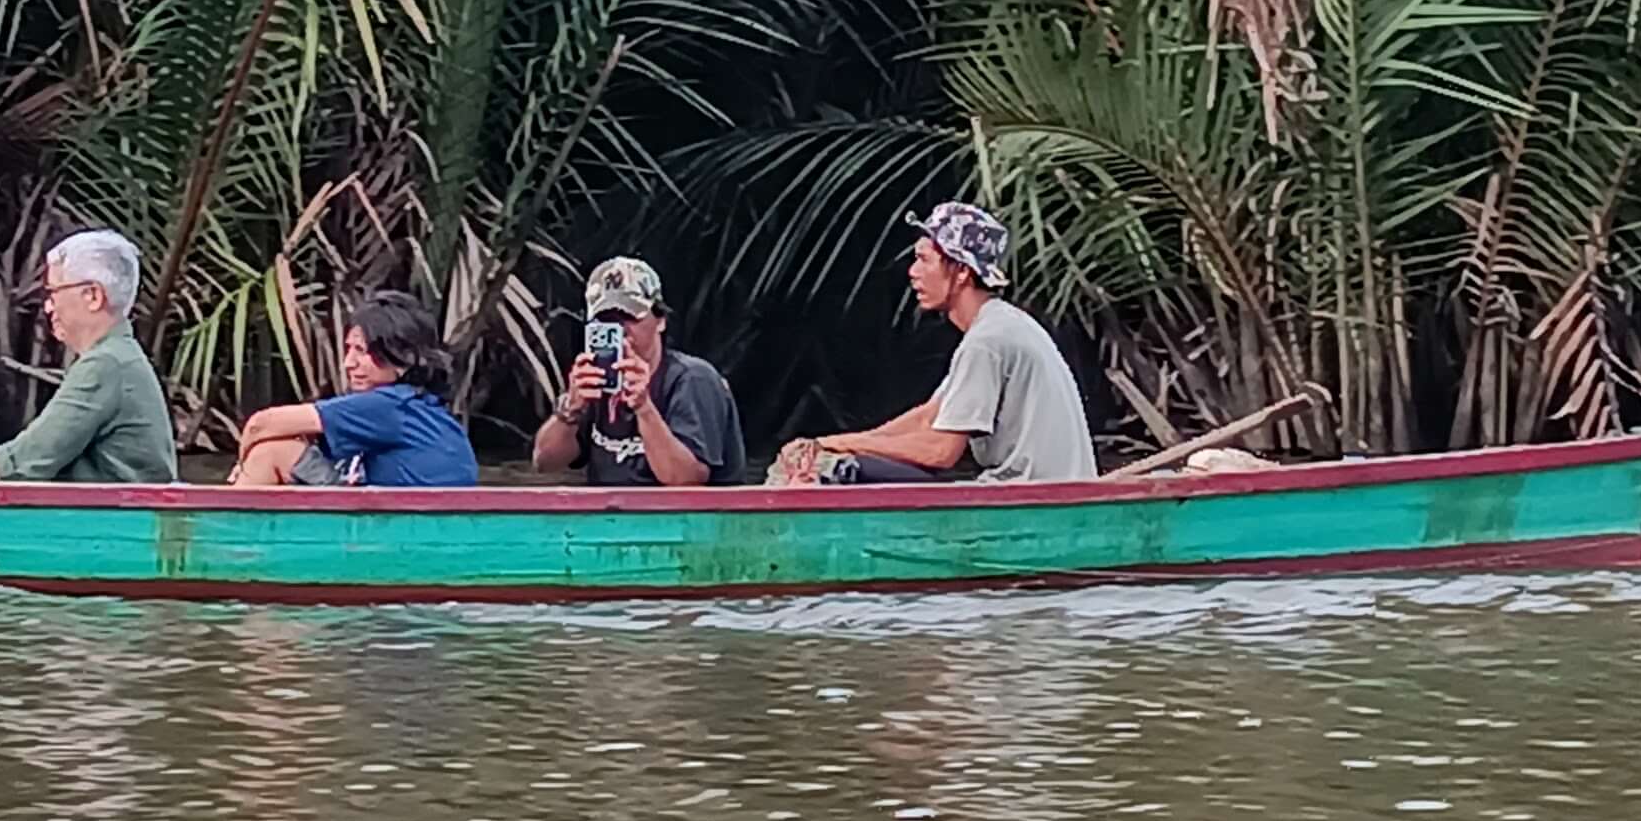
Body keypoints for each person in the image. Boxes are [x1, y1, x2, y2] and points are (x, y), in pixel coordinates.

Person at [773, 200, 1093, 486]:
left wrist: (838, 447)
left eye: (924, 260)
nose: (913, 272)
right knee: (843, 458)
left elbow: (940, 452)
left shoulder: (987, 342)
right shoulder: (999, 324)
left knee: (839, 470)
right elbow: (929, 416)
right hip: (1037, 489)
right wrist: (835, 441)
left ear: (962, 271)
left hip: (1029, 496)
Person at [0, 228, 180, 485]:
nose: (48, 307)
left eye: (53, 292)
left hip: (119, 521)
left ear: (93, 296)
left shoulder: (107, 364)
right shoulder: (121, 357)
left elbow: (28, 458)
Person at [529, 255, 742, 487]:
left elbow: (686, 480)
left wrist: (644, 407)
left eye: (629, 317)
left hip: (684, 519)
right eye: (608, 320)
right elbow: (544, 462)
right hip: (613, 516)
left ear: (660, 321)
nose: (621, 330)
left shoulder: (692, 379)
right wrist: (570, 409)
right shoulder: (596, 379)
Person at [231, 289, 477, 487]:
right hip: (412, 524)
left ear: (401, 356)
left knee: (271, 452)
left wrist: (243, 467)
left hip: (394, 529)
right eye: (348, 350)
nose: (348, 363)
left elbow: (261, 424)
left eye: (360, 350)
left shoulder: (390, 406)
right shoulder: (422, 407)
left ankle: (228, 535)